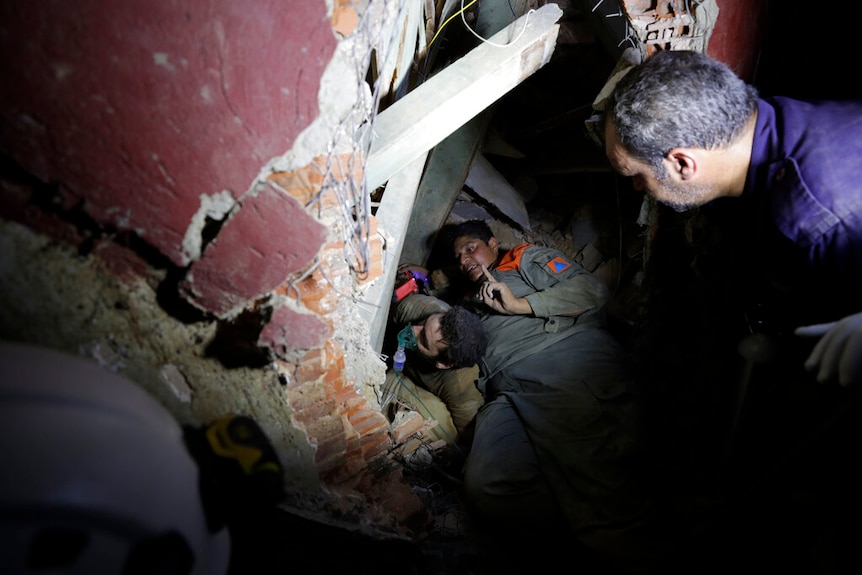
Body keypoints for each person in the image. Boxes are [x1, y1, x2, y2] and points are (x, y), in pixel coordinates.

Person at [401, 220, 659, 572]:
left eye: (471, 248)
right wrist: (428, 276)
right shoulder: (467, 296)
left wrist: (521, 305)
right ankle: (570, 550)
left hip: (561, 361)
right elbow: (433, 301)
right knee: (487, 487)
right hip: (508, 390)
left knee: (605, 497)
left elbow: (591, 292)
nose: (465, 259)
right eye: (458, 256)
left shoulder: (523, 261)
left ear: (493, 244)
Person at [602, 48, 862, 388]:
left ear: (682, 164)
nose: (638, 187)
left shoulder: (818, 217)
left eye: (636, 174)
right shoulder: (766, 121)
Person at [382, 292, 489, 450]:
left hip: (408, 383)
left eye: (423, 339)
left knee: (447, 436)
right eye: (423, 323)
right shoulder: (417, 307)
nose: (413, 330)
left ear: (443, 364)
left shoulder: (461, 385)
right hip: (393, 362)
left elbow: (468, 439)